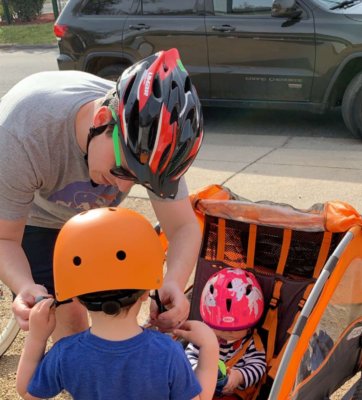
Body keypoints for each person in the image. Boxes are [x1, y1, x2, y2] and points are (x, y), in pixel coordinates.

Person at [0, 48, 203, 341]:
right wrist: (24, 285)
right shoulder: (22, 136)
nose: (121, 189)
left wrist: (174, 279)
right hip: (36, 217)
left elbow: (183, 226)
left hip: (92, 218)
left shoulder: (154, 140)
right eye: (122, 170)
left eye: (138, 180)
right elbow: (5, 239)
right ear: (103, 118)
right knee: (69, 321)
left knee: (119, 313)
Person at [16, 207, 219, 400]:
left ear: (75, 296)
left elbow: (27, 391)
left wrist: (37, 336)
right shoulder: (168, 352)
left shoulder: (65, 354)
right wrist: (209, 346)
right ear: (145, 292)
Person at [186, 268, 267, 397]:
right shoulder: (203, 336)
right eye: (220, 327)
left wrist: (239, 376)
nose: (228, 332)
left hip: (231, 393)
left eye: (236, 329)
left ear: (250, 326)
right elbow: (189, 356)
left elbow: (258, 366)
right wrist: (198, 370)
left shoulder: (250, 343)